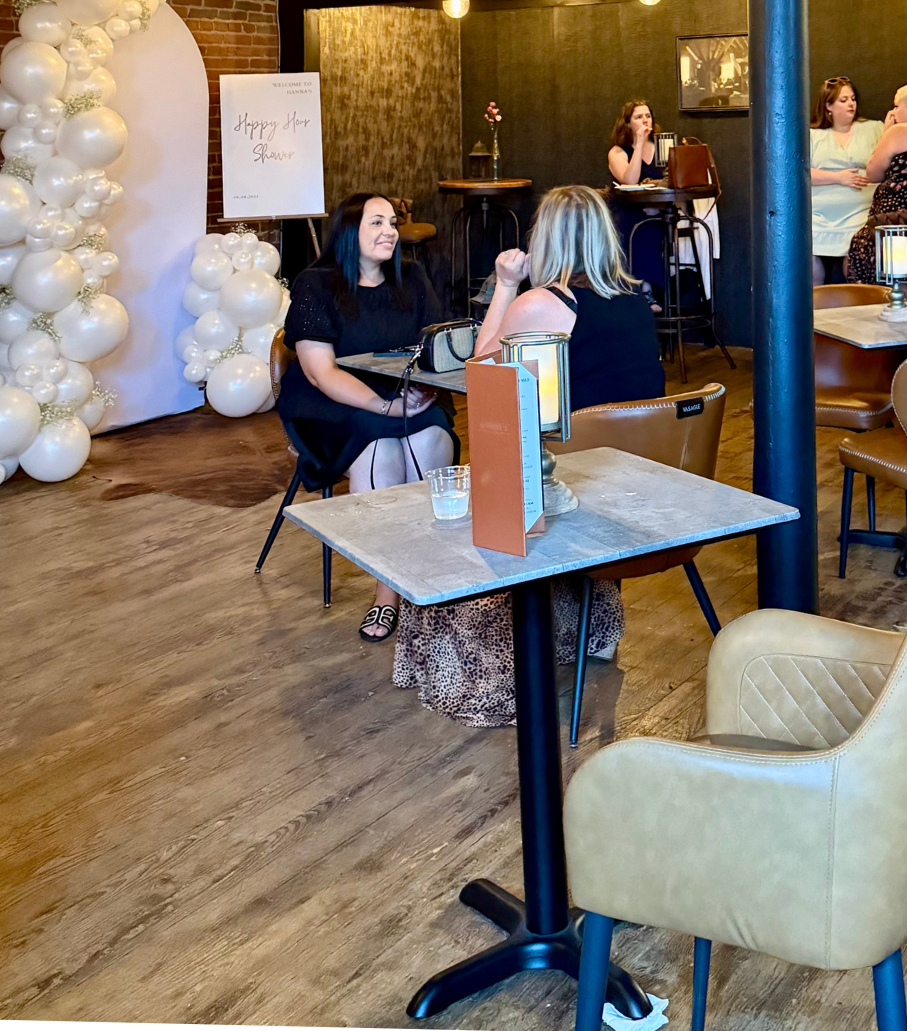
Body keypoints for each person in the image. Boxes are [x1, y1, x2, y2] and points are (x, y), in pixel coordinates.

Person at [393, 185, 665, 727]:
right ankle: (590, 627)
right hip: (642, 479)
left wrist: (505, 284)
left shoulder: (542, 303)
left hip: (576, 481)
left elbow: (479, 368)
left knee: (481, 469)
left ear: (548, 239)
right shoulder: (637, 300)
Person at [278, 193, 456, 643]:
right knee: (381, 452)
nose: (389, 231)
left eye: (392, 223)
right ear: (348, 232)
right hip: (334, 405)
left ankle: (430, 577)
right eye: (376, 222)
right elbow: (320, 374)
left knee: (429, 441)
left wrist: (424, 387)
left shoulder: (412, 278)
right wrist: (386, 407)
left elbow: (435, 349)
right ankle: (387, 595)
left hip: (405, 394)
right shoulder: (316, 284)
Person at [845, 83, 907, 284]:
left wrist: (885, 133)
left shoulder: (902, 130)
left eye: (896, 106)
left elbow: (873, 173)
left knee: (893, 279)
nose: (892, 113)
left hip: (894, 221)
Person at [809, 76, 885, 284]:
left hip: (861, 212)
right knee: (806, 252)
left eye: (852, 99)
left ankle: (856, 297)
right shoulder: (813, 135)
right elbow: (800, 173)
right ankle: (814, 302)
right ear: (828, 106)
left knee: (856, 251)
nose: (851, 104)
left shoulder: (873, 128)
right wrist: (838, 177)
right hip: (819, 215)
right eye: (843, 100)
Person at [607, 98, 665, 308]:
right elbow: (630, 181)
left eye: (648, 116)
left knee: (653, 223)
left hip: (659, 207)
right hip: (627, 208)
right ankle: (640, 289)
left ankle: (647, 289)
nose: (645, 120)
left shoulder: (662, 146)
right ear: (627, 123)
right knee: (636, 224)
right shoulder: (617, 152)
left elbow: (671, 178)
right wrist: (639, 144)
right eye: (639, 117)